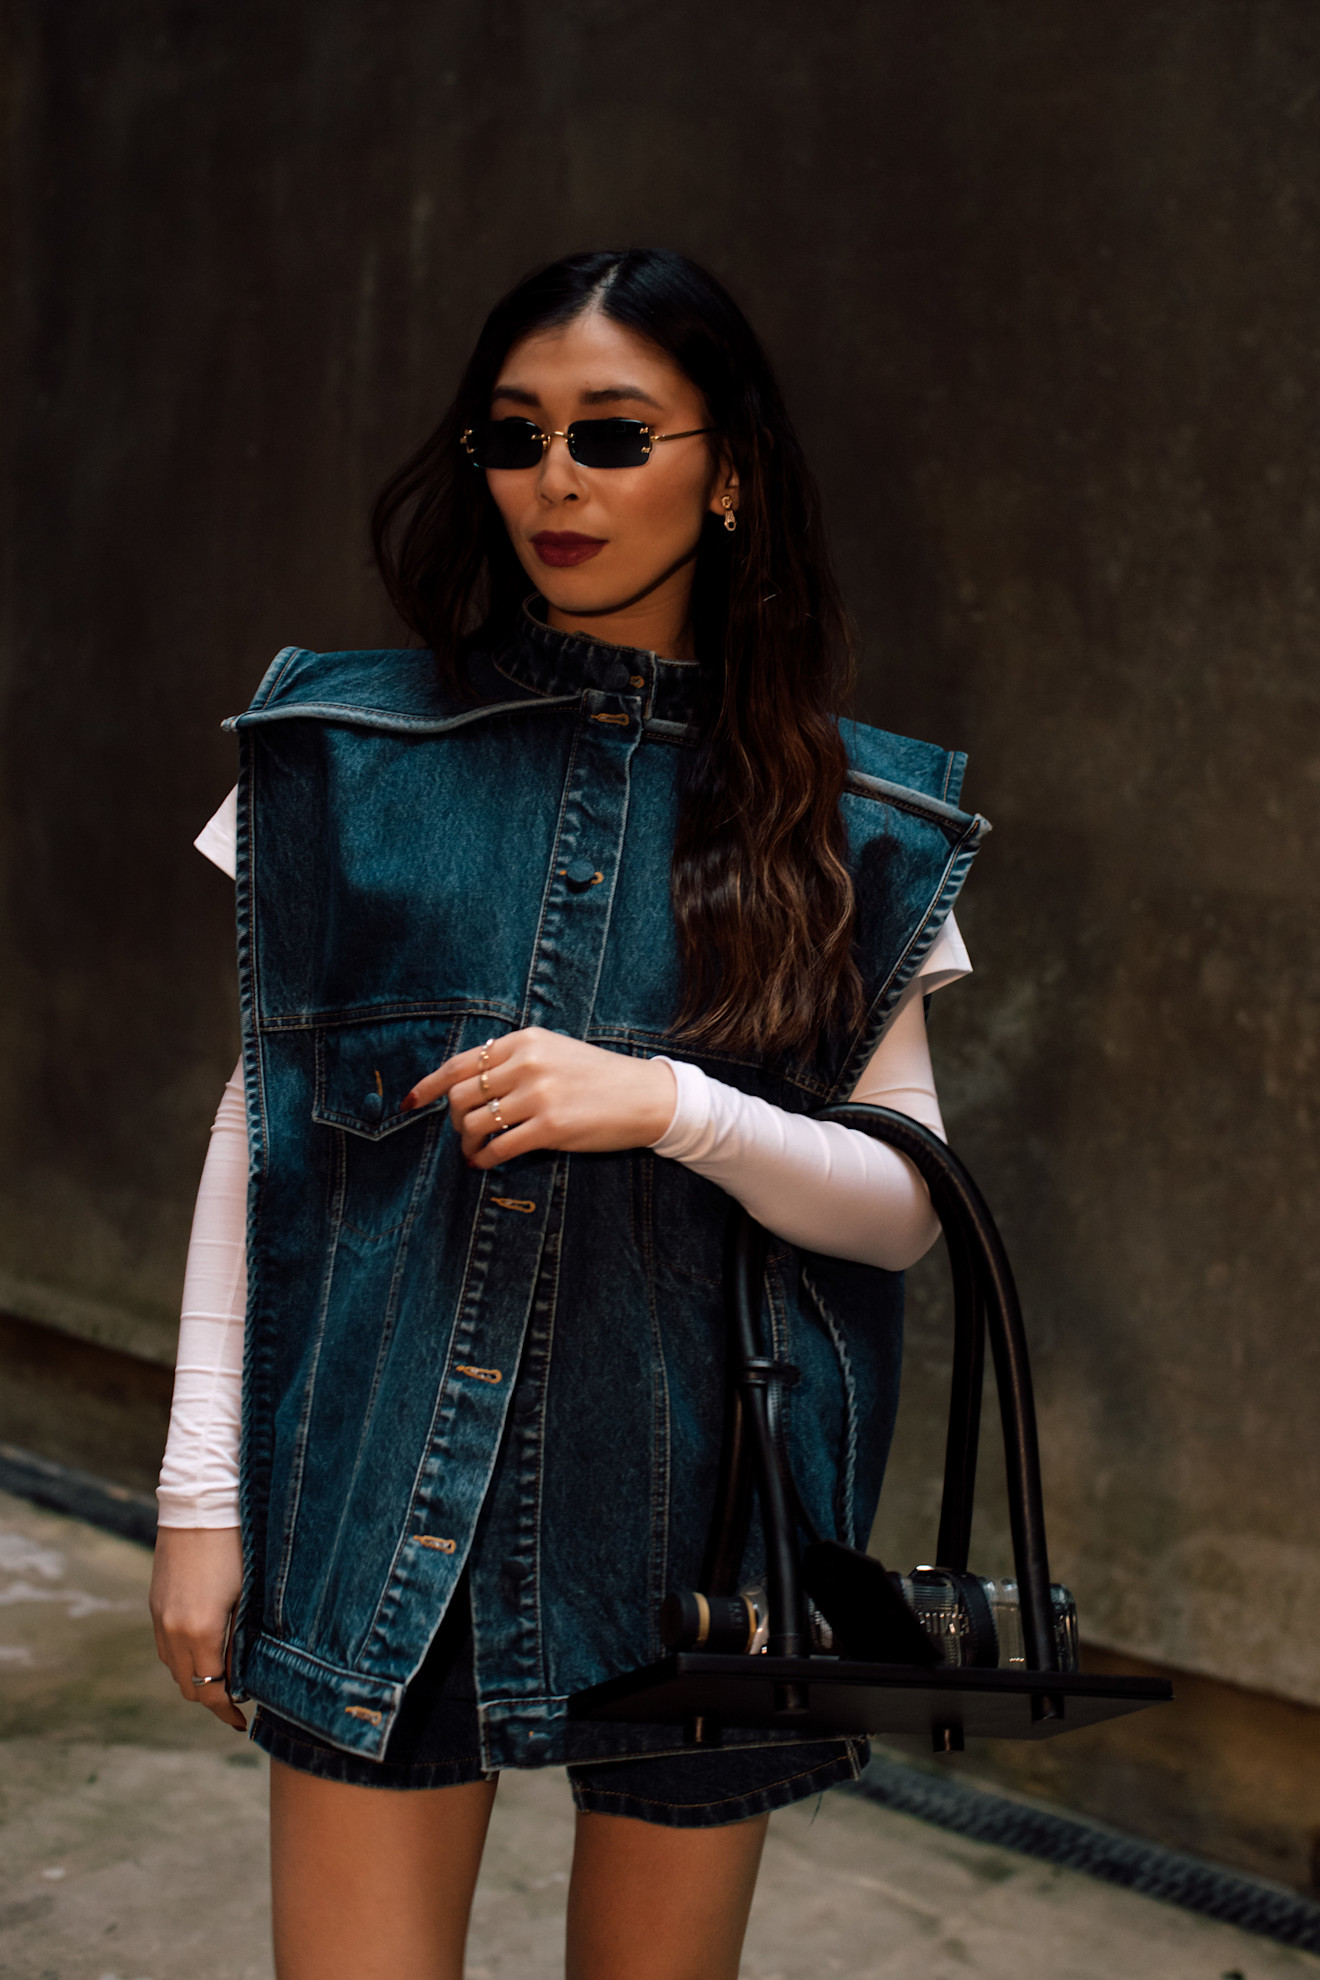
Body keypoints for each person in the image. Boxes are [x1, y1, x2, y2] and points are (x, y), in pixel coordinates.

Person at [148, 247, 986, 1980]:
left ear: (728, 466)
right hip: (375, 1476)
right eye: (515, 438)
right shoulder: (343, 754)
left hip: (706, 1513)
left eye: (614, 437)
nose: (556, 484)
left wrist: (672, 1104)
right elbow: (264, 1138)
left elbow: (906, 1206)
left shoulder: (857, 820)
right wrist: (197, 1502)